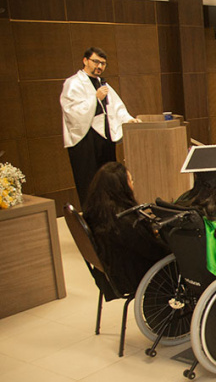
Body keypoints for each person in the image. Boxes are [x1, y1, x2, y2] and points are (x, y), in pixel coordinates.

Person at [60, 47, 139, 205]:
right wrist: (94, 98)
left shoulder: (103, 84)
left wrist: (128, 120)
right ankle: (92, 213)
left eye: (103, 63)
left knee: (109, 177)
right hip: (85, 138)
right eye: (96, 61)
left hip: (104, 137)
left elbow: (116, 108)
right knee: (89, 178)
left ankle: (111, 209)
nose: (100, 66)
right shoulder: (73, 83)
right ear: (85, 61)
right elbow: (71, 110)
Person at [82, 162, 169, 298]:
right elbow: (155, 252)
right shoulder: (124, 221)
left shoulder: (95, 212)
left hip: (109, 274)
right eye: (130, 180)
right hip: (130, 276)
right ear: (121, 188)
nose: (133, 184)